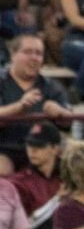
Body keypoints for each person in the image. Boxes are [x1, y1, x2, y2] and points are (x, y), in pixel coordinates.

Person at [0, 36, 71, 174]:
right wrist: (20, 107)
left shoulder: (52, 86)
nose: (34, 58)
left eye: (39, 53)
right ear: (13, 55)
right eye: (28, 52)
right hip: (5, 148)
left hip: (42, 150)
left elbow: (69, 122)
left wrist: (59, 112)